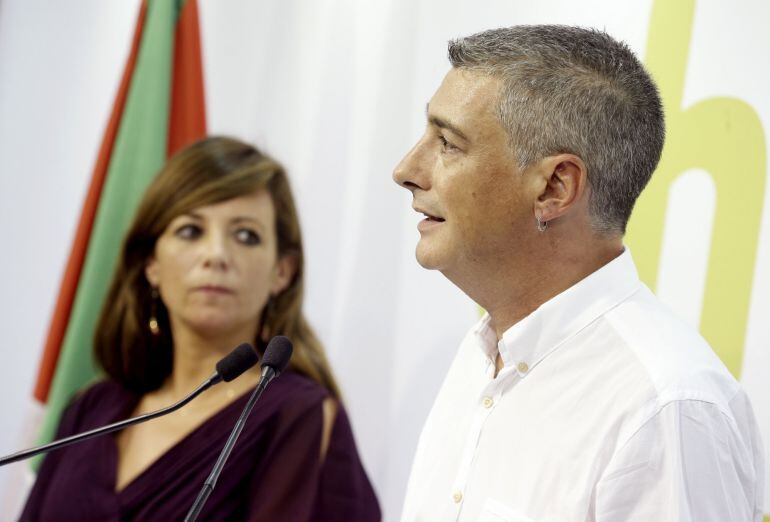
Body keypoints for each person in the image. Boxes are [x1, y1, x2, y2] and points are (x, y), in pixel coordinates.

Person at [394, 25, 764, 521]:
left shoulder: (665, 408)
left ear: (554, 188)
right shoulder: (480, 356)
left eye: (448, 143)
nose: (406, 169)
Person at [21, 136, 381, 521]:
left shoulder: (300, 416)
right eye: (191, 231)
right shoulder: (90, 410)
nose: (216, 256)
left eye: (245, 235)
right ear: (151, 264)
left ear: (282, 272)